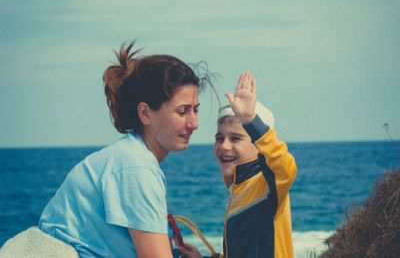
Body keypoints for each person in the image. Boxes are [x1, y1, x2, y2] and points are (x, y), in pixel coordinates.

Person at [0, 41, 207, 258]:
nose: (194, 123)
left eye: (196, 110)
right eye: (183, 112)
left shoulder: (127, 156)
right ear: (145, 113)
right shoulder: (136, 168)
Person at [179, 71, 297, 258]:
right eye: (219, 138)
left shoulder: (266, 186)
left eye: (235, 138)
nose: (224, 146)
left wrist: (250, 120)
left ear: (259, 145)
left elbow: (284, 166)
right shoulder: (239, 188)